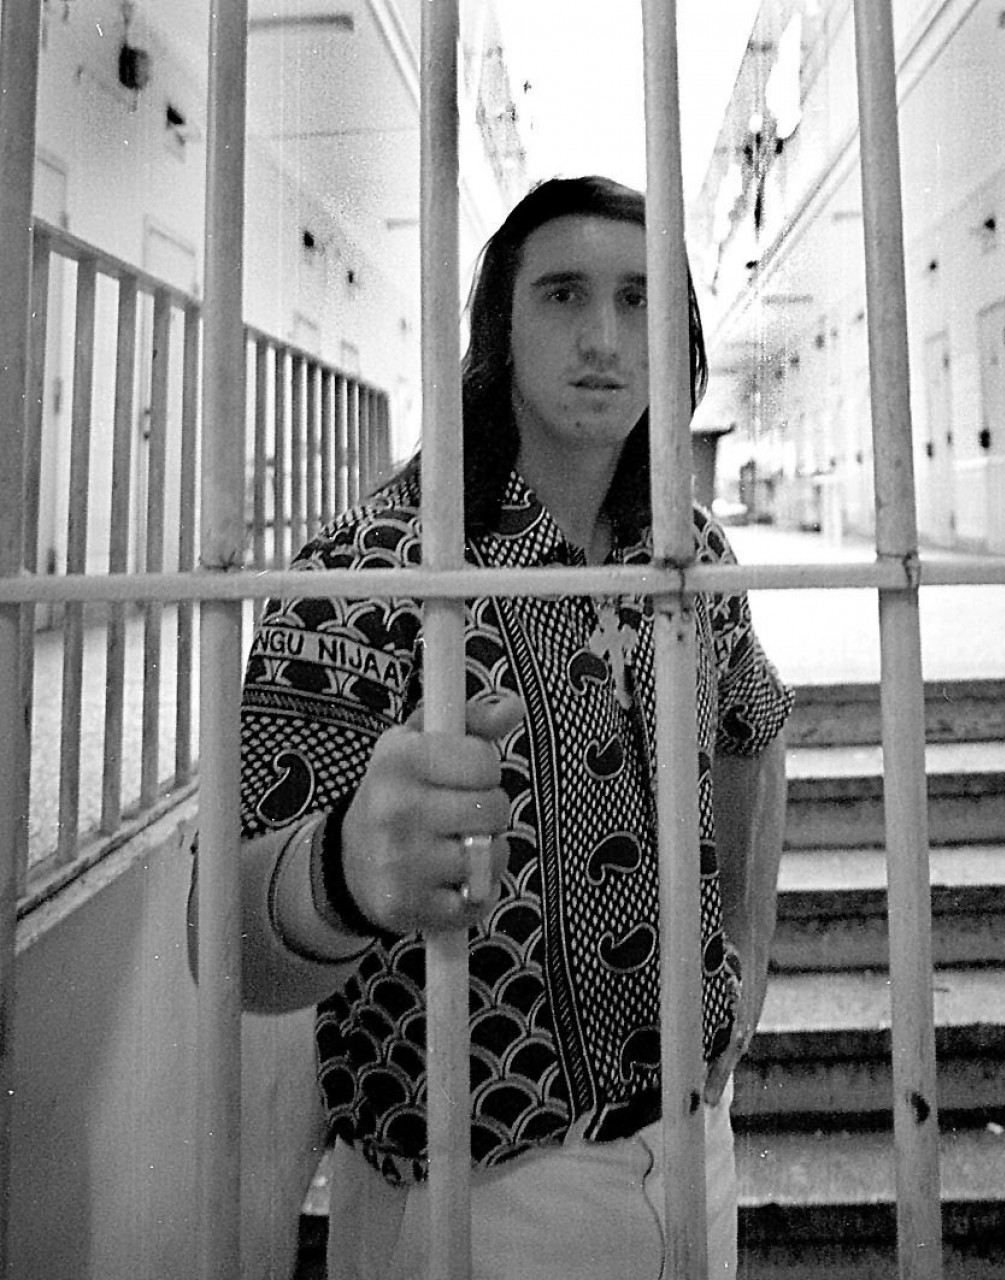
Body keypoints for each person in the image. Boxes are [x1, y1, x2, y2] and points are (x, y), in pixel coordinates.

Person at [190, 175, 792, 1279]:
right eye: (563, 294)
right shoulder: (375, 570)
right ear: (497, 333)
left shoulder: (689, 550)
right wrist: (344, 872)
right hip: (467, 1191)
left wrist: (745, 955)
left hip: (696, 1146)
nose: (604, 337)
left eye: (640, 299)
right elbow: (221, 942)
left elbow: (755, 724)